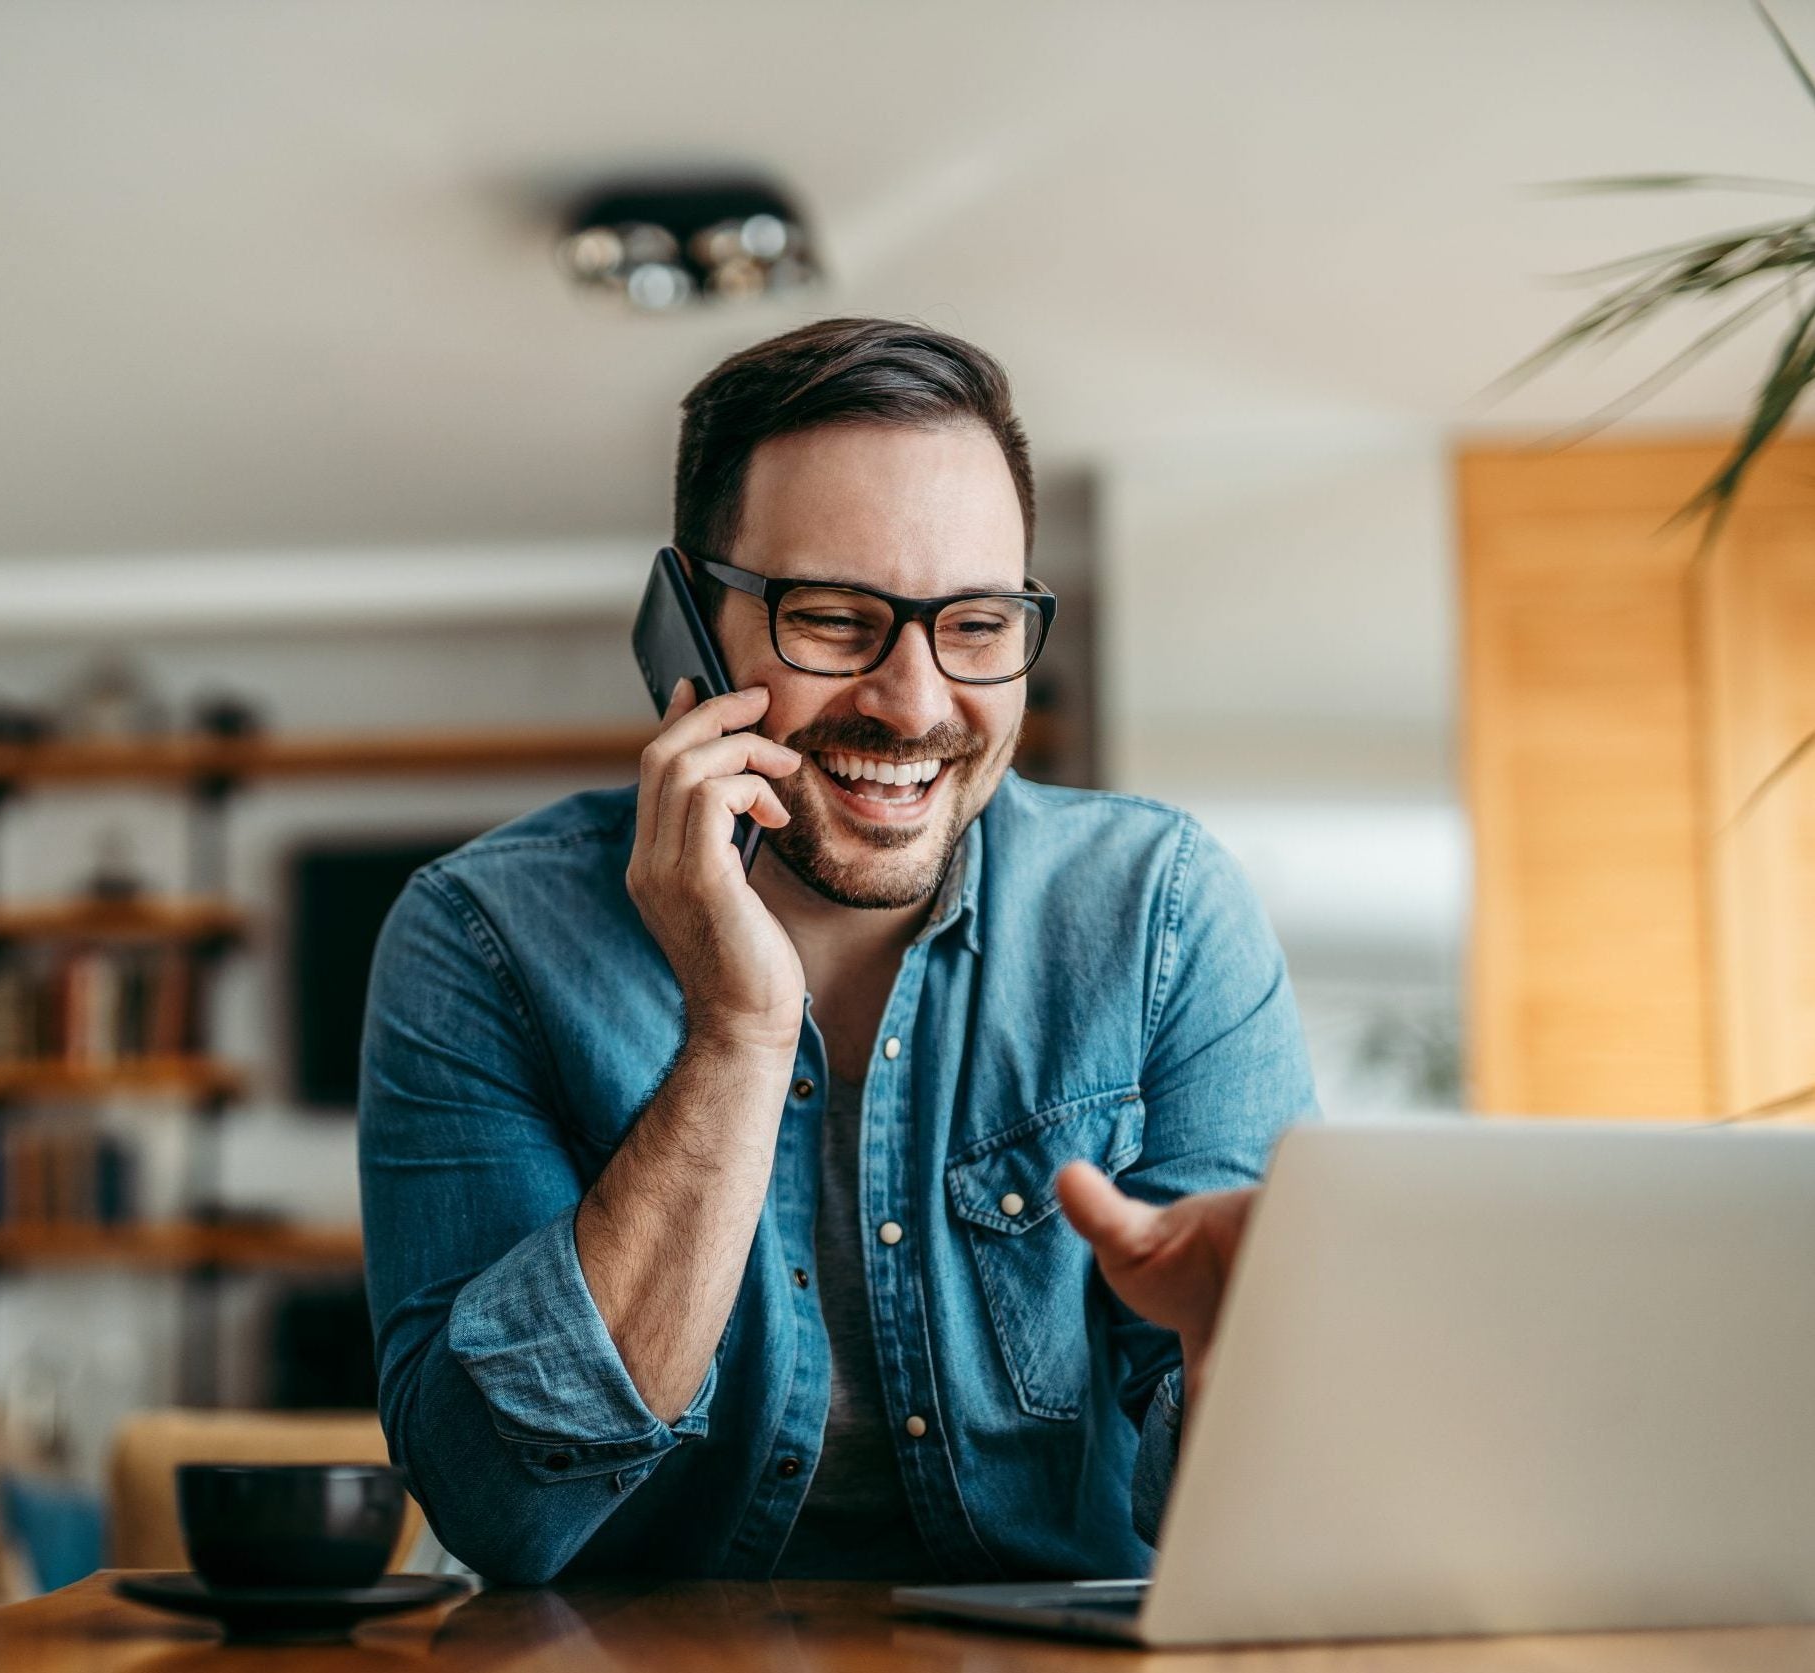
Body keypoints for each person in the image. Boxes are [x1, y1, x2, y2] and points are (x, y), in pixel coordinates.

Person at [358, 317, 1315, 1585]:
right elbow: (504, 1514)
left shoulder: (1162, 910)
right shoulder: (480, 938)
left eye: (974, 624)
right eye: (833, 618)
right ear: (689, 629)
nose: (915, 702)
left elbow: (1269, 1524)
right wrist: (739, 1029)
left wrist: (1239, 1364)